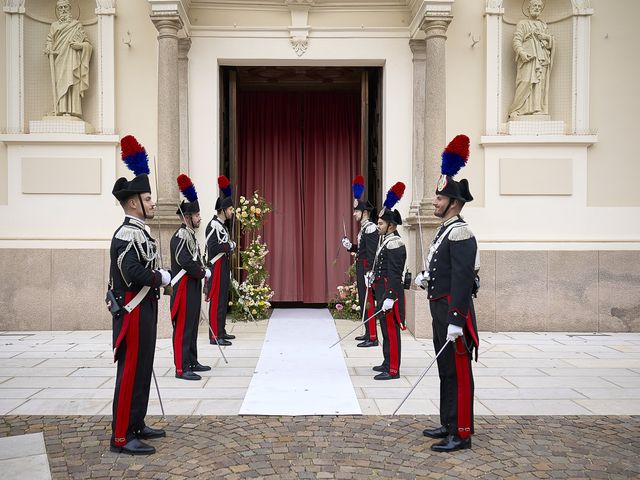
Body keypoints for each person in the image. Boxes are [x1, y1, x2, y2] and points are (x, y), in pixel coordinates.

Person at [416, 134, 480, 452]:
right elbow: (444, 271)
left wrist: (457, 318)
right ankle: (448, 421)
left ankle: (462, 432)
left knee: (458, 370)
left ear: (453, 203)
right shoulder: (446, 231)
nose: (435, 202)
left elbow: (463, 278)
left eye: (439, 199)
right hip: (439, 310)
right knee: (445, 369)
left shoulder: (461, 231)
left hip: (453, 313)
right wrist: (426, 277)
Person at [107, 135, 170, 455]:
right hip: (132, 313)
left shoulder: (139, 231)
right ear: (134, 203)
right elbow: (133, 272)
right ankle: (121, 437)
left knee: (143, 367)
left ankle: (136, 423)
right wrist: (161, 276)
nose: (153, 203)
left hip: (144, 310)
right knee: (131, 371)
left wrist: (160, 278)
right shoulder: (125, 234)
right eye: (148, 198)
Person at [170, 174, 211, 381]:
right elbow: (185, 261)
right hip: (184, 287)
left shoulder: (190, 235)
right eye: (196, 215)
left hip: (192, 286)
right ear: (187, 216)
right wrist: (203, 272)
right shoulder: (180, 236)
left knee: (193, 324)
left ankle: (192, 360)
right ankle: (181, 367)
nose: (199, 218)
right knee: (184, 327)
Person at [367, 182, 406, 380]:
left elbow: (395, 274)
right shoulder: (386, 240)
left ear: (391, 225)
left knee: (391, 330)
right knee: (384, 328)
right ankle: (386, 361)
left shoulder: (396, 243)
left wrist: (390, 296)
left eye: (381, 224)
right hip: (382, 289)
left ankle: (393, 369)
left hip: (390, 292)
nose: (378, 226)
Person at [341, 175, 379, 347]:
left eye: (356, 211)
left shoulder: (370, 228)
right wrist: (351, 246)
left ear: (364, 213)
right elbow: (362, 249)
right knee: (364, 299)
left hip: (366, 268)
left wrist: (369, 272)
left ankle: (372, 336)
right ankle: (367, 332)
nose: (354, 213)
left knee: (368, 301)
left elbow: (371, 253)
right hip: (361, 266)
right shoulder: (364, 228)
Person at [44, 0, 92, 117]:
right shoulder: (54, 26)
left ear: (70, 8)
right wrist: (49, 48)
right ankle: (60, 109)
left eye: (65, 7)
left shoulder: (77, 25)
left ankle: (72, 110)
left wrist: (80, 46)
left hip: (72, 57)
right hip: (59, 58)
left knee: (72, 81)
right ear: (57, 10)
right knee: (60, 83)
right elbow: (50, 40)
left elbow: (87, 44)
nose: (63, 10)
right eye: (60, 8)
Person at [508, 0, 555, 119]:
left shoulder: (543, 25)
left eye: (539, 6)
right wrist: (522, 53)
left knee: (540, 84)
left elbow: (551, 43)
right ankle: (518, 108)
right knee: (525, 81)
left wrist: (545, 37)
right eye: (535, 5)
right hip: (528, 59)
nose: (537, 8)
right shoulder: (522, 23)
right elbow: (516, 40)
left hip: (542, 59)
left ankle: (537, 109)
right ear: (528, 8)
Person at [205, 176, 236, 346]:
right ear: (223, 209)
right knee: (216, 300)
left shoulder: (222, 226)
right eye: (230, 208)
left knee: (223, 298)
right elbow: (212, 247)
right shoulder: (213, 225)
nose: (232, 211)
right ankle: (214, 335)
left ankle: (221, 330)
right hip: (216, 265)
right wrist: (229, 245)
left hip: (222, 265)